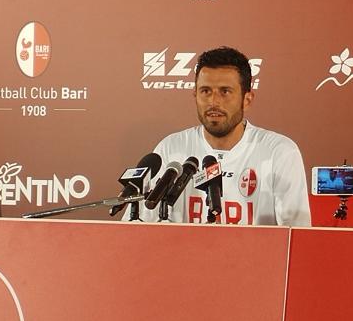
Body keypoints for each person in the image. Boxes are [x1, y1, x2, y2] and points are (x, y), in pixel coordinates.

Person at [129, 46, 311, 226]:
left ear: (247, 100)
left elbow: (296, 233)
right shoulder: (171, 148)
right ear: (195, 95)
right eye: (205, 91)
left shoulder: (279, 151)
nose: (213, 102)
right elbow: (139, 226)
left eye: (225, 92)